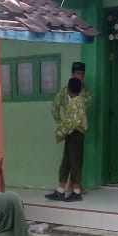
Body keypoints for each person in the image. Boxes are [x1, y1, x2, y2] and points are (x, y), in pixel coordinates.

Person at [46, 62, 91, 203]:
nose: (80, 77)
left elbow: (77, 118)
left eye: (82, 74)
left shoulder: (82, 97)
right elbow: (54, 109)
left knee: (75, 162)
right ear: (72, 74)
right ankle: (61, 191)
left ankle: (76, 191)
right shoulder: (65, 92)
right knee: (66, 161)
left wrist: (62, 129)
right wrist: (62, 125)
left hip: (75, 132)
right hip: (69, 132)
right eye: (78, 74)